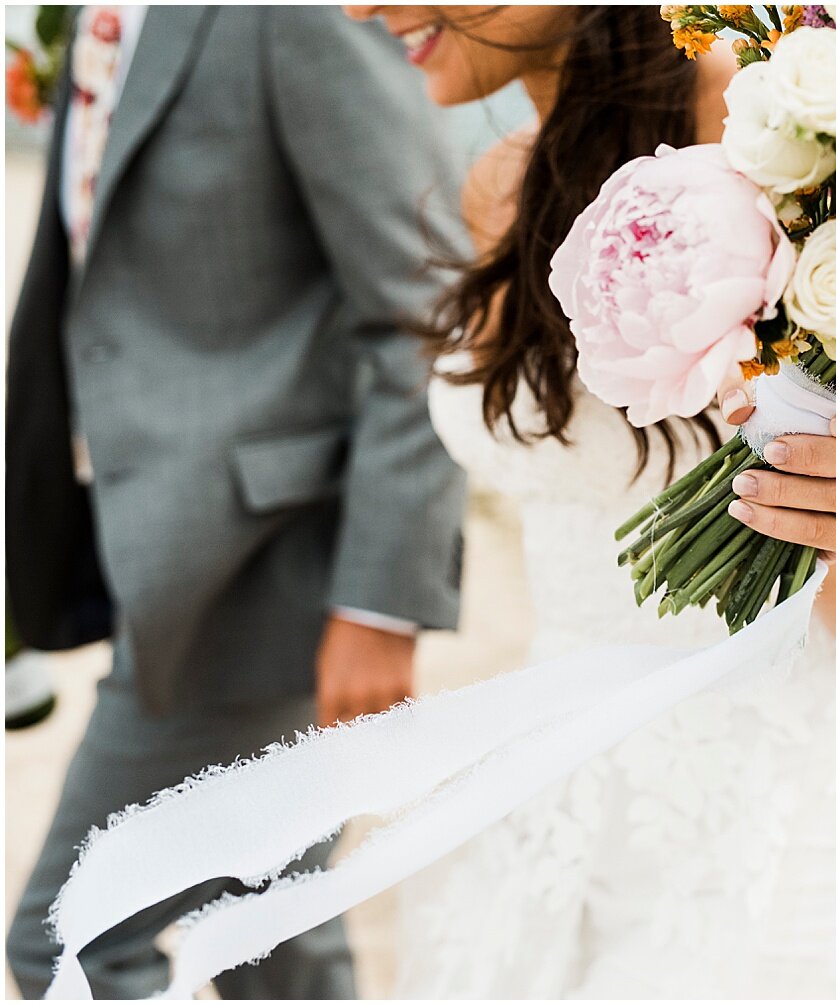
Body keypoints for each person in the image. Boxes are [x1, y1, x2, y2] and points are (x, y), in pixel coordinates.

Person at [345, 6, 836, 997]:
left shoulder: (780, 134)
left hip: (784, 837)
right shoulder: (499, 184)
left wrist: (834, 527)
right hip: (565, 791)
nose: (359, 6)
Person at [5, 6, 467, 998]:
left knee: (66, 941)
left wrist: (379, 604)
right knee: (270, 937)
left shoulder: (291, 14)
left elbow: (422, 309)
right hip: (156, 540)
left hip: (261, 570)